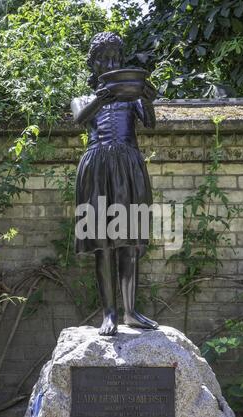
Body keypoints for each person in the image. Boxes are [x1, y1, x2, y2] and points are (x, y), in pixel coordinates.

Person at [71, 32, 158, 336]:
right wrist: (99, 98)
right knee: (102, 244)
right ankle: (109, 314)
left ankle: (131, 312)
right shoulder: (84, 99)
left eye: (114, 58)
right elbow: (79, 118)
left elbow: (150, 122)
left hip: (128, 166)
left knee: (129, 241)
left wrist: (146, 96)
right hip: (97, 169)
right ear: (93, 63)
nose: (109, 63)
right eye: (103, 58)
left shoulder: (131, 97)